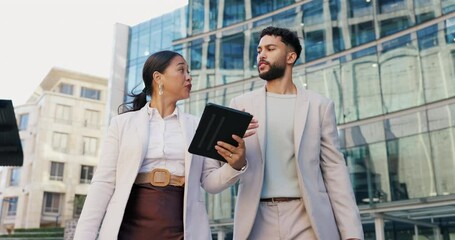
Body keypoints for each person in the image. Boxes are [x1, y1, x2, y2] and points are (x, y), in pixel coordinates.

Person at [74, 50, 256, 240]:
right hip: (128, 227)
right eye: (181, 70)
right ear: (158, 78)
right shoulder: (122, 124)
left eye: (189, 72)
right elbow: (103, 183)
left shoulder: (196, 125)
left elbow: (210, 182)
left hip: (181, 227)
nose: (189, 77)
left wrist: (236, 164)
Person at [220, 26, 364, 239]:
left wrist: (351, 233)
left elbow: (335, 171)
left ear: (291, 56)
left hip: (306, 217)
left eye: (270, 49)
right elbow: (227, 166)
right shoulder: (241, 105)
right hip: (256, 218)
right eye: (259, 50)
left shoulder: (319, 106)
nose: (261, 55)